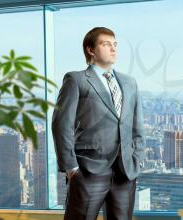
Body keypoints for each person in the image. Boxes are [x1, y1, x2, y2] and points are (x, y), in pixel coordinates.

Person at [51, 27, 145, 220]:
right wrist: (72, 169)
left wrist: (137, 159)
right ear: (90, 50)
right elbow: (61, 124)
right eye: (106, 44)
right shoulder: (76, 80)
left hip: (125, 172)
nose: (113, 49)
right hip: (88, 171)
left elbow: (138, 125)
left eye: (115, 44)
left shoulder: (129, 83)